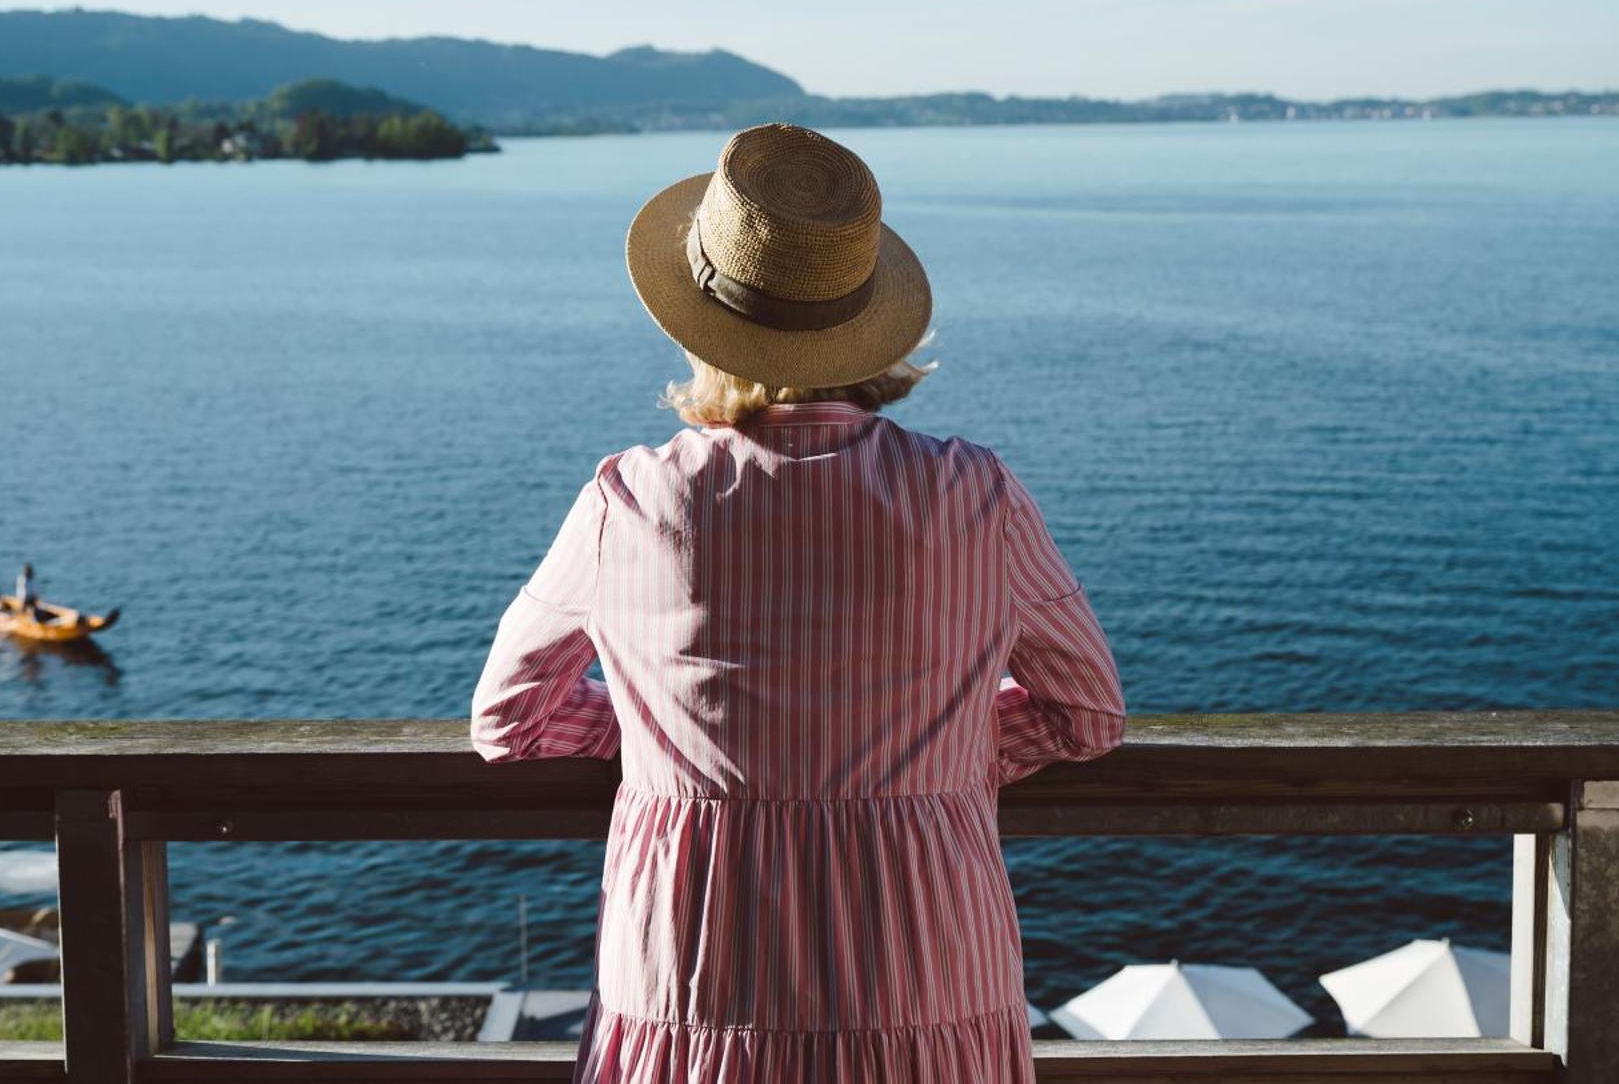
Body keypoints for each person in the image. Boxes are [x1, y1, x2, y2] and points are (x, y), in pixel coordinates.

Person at [470, 124, 1127, 1084]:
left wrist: (660, 731)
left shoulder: (633, 498)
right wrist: (947, 751)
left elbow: (507, 719)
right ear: (868, 321)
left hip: (700, 969)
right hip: (925, 964)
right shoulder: (972, 494)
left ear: (700, 327)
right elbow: (1090, 713)